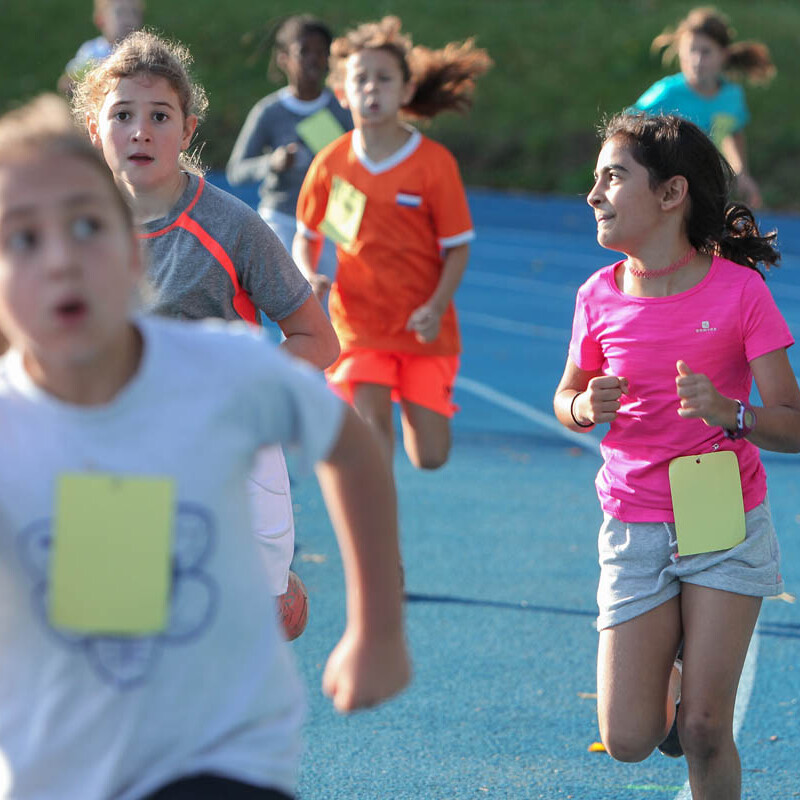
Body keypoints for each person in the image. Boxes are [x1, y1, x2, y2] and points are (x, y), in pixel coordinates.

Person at [0, 93, 409, 800]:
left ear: (135, 254)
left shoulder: (220, 369)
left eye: (87, 227)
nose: (61, 259)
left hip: (221, 755)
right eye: (24, 238)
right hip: (61, 765)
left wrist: (377, 630)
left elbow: (350, 445)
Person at [553, 112, 800, 799]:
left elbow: (793, 422)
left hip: (722, 519)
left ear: (670, 193)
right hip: (634, 525)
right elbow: (564, 397)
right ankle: (682, 665)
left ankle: (700, 690)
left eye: (613, 177)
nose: (593, 194)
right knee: (629, 738)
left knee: (703, 728)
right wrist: (583, 407)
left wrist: (733, 414)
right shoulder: (596, 296)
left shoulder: (739, 291)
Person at [74, 31, 340, 622]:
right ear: (95, 130)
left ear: (188, 129)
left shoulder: (231, 226)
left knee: (265, 622)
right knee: (107, 627)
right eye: (122, 115)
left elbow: (320, 341)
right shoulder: (73, 233)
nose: (140, 131)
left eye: (159, 116)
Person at [293, 16, 491, 473]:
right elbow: (307, 234)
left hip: (424, 327)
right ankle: (377, 518)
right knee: (372, 446)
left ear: (405, 91)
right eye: (360, 78)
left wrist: (436, 306)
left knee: (430, 456)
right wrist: (309, 275)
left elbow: (457, 247)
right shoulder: (331, 163)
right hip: (358, 325)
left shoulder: (434, 164)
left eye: (384, 78)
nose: (371, 88)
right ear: (342, 92)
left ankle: (417, 410)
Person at [226, 14, 352, 290]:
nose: (313, 60)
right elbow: (236, 171)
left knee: (331, 300)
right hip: (282, 218)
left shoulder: (343, 110)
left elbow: (361, 166)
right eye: (304, 51)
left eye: (321, 52)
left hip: (331, 224)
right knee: (287, 297)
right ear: (284, 58)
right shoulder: (269, 112)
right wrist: (272, 162)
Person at [630, 6, 775, 209]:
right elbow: (627, 128)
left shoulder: (732, 96)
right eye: (692, 50)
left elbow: (733, 131)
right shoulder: (667, 93)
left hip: (704, 187)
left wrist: (742, 173)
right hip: (665, 188)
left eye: (706, 52)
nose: (697, 60)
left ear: (723, 54)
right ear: (681, 52)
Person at [58, 0, 144, 96]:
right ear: (100, 19)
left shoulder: (143, 52)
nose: (128, 19)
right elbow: (67, 83)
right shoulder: (91, 52)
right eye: (119, 12)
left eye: (134, 13)